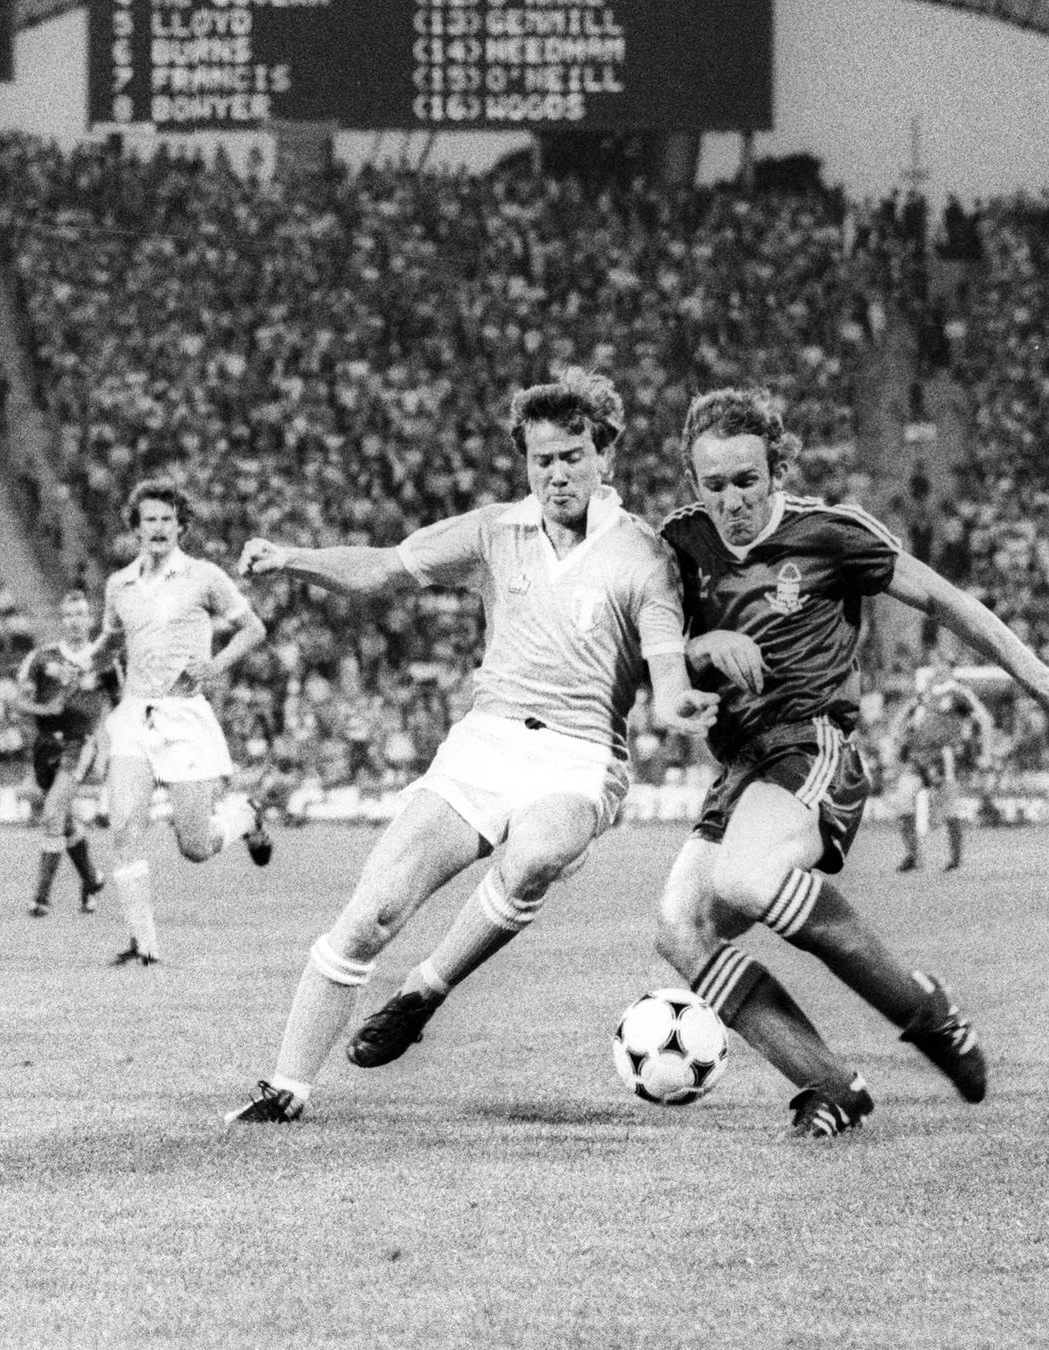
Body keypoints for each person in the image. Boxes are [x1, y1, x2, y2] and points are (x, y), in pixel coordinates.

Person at [227, 369, 716, 1124]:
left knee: (537, 852)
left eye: (575, 455)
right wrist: (293, 557)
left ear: (607, 458)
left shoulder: (643, 558)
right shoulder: (494, 531)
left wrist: (683, 701)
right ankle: (285, 1087)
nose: (558, 473)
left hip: (580, 754)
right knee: (372, 911)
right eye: (543, 458)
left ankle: (424, 989)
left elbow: (665, 663)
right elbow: (385, 569)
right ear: (525, 461)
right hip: (484, 743)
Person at [652, 388, 1049, 1137]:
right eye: (715, 485)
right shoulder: (679, 544)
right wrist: (701, 652)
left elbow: (942, 598)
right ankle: (831, 1085)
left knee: (744, 879)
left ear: (776, 469)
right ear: (692, 483)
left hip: (810, 744)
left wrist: (1040, 678)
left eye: (748, 480)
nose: (733, 499)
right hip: (737, 768)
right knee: (681, 929)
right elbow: (658, 644)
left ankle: (924, 1013)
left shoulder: (829, 535)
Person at [97, 481, 272, 966]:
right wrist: (85, 663)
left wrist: (215, 666)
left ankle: (247, 817)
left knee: (195, 845)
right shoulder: (119, 586)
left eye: (167, 519)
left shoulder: (204, 576)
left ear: (181, 526)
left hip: (185, 718)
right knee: (124, 827)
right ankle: (144, 945)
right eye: (149, 519)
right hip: (135, 714)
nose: (158, 527)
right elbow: (111, 640)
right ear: (135, 527)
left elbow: (254, 629)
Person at [16, 591, 113, 918]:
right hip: (46, 746)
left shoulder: (105, 660)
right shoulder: (41, 658)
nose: (75, 620)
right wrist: (47, 707)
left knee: (52, 812)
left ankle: (41, 898)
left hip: (80, 743)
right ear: (62, 619)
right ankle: (91, 879)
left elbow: (122, 704)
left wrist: (108, 749)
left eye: (81, 614)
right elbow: (20, 703)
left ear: (90, 618)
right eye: (69, 615)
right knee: (63, 818)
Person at [893, 650, 994, 873]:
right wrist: (898, 734)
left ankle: (955, 860)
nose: (936, 668)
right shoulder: (925, 692)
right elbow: (905, 715)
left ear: (950, 666)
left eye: (940, 664)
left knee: (948, 812)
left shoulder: (959, 693)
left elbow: (985, 719)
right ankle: (913, 856)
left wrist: (986, 753)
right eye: (933, 664)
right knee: (902, 803)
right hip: (917, 756)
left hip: (943, 758)